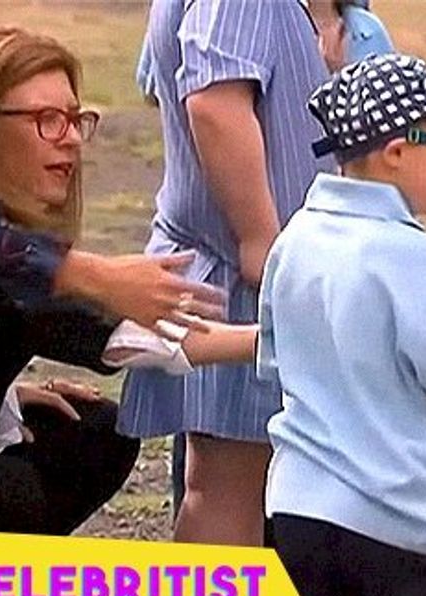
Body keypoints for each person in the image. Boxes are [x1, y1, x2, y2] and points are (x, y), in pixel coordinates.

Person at [0, 26, 252, 534]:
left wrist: (278, 338)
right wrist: (85, 270)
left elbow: (140, 335)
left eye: (77, 119)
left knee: (94, 430)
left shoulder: (22, 252)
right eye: (47, 120)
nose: (73, 139)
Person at [261, 53, 426, 596]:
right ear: (398, 151)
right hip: (400, 508)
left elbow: (273, 352)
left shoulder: (295, 237)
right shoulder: (417, 256)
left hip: (299, 502)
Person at [119, 0, 332, 547]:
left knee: (238, 481)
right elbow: (215, 103)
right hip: (239, 274)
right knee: (228, 485)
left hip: (243, 263)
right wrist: (260, 237)